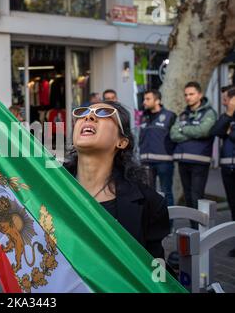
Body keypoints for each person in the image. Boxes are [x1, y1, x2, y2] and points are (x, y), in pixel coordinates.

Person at [65, 101, 170, 260]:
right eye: (82, 113)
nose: (89, 116)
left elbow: (156, 273)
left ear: (121, 142)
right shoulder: (46, 185)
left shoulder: (150, 204)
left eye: (104, 113)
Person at [170, 82, 217, 225]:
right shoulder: (183, 114)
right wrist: (192, 132)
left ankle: (201, 233)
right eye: (186, 95)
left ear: (200, 94)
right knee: (189, 198)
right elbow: (173, 134)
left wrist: (183, 130)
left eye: (191, 94)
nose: (188, 97)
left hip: (199, 161)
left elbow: (204, 131)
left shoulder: (209, 112)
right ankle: (193, 232)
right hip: (183, 161)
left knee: (197, 197)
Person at [139, 89, 176, 207]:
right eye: (144, 99)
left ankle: (169, 224)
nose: (144, 102)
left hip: (164, 162)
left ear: (157, 100)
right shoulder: (143, 116)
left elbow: (175, 137)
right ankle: (153, 224)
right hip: (146, 162)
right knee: (148, 194)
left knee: (166, 192)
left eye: (148, 99)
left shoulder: (170, 116)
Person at [210, 86, 235, 257]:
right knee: (233, 207)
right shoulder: (227, 117)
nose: (226, 102)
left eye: (228, 99)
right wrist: (228, 115)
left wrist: (230, 132)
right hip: (227, 169)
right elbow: (216, 131)